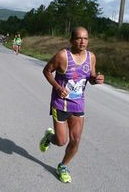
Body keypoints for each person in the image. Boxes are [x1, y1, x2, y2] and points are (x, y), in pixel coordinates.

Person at [40, 26, 104, 183]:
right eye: (78, 38)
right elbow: (47, 71)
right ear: (71, 40)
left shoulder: (91, 57)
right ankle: (49, 136)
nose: (82, 41)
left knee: (75, 140)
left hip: (78, 104)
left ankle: (63, 166)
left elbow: (91, 76)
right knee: (61, 141)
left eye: (85, 38)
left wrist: (96, 80)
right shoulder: (62, 56)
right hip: (60, 103)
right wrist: (57, 87)